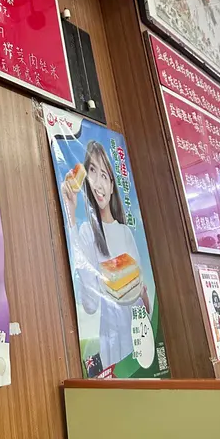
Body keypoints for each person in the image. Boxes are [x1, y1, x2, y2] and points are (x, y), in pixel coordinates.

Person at [61, 140, 150, 369]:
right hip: (110, 341)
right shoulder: (86, 232)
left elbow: (140, 292)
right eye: (92, 171)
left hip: (137, 336)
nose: (98, 182)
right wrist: (70, 212)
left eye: (104, 175)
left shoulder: (125, 233)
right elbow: (90, 304)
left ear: (112, 185)